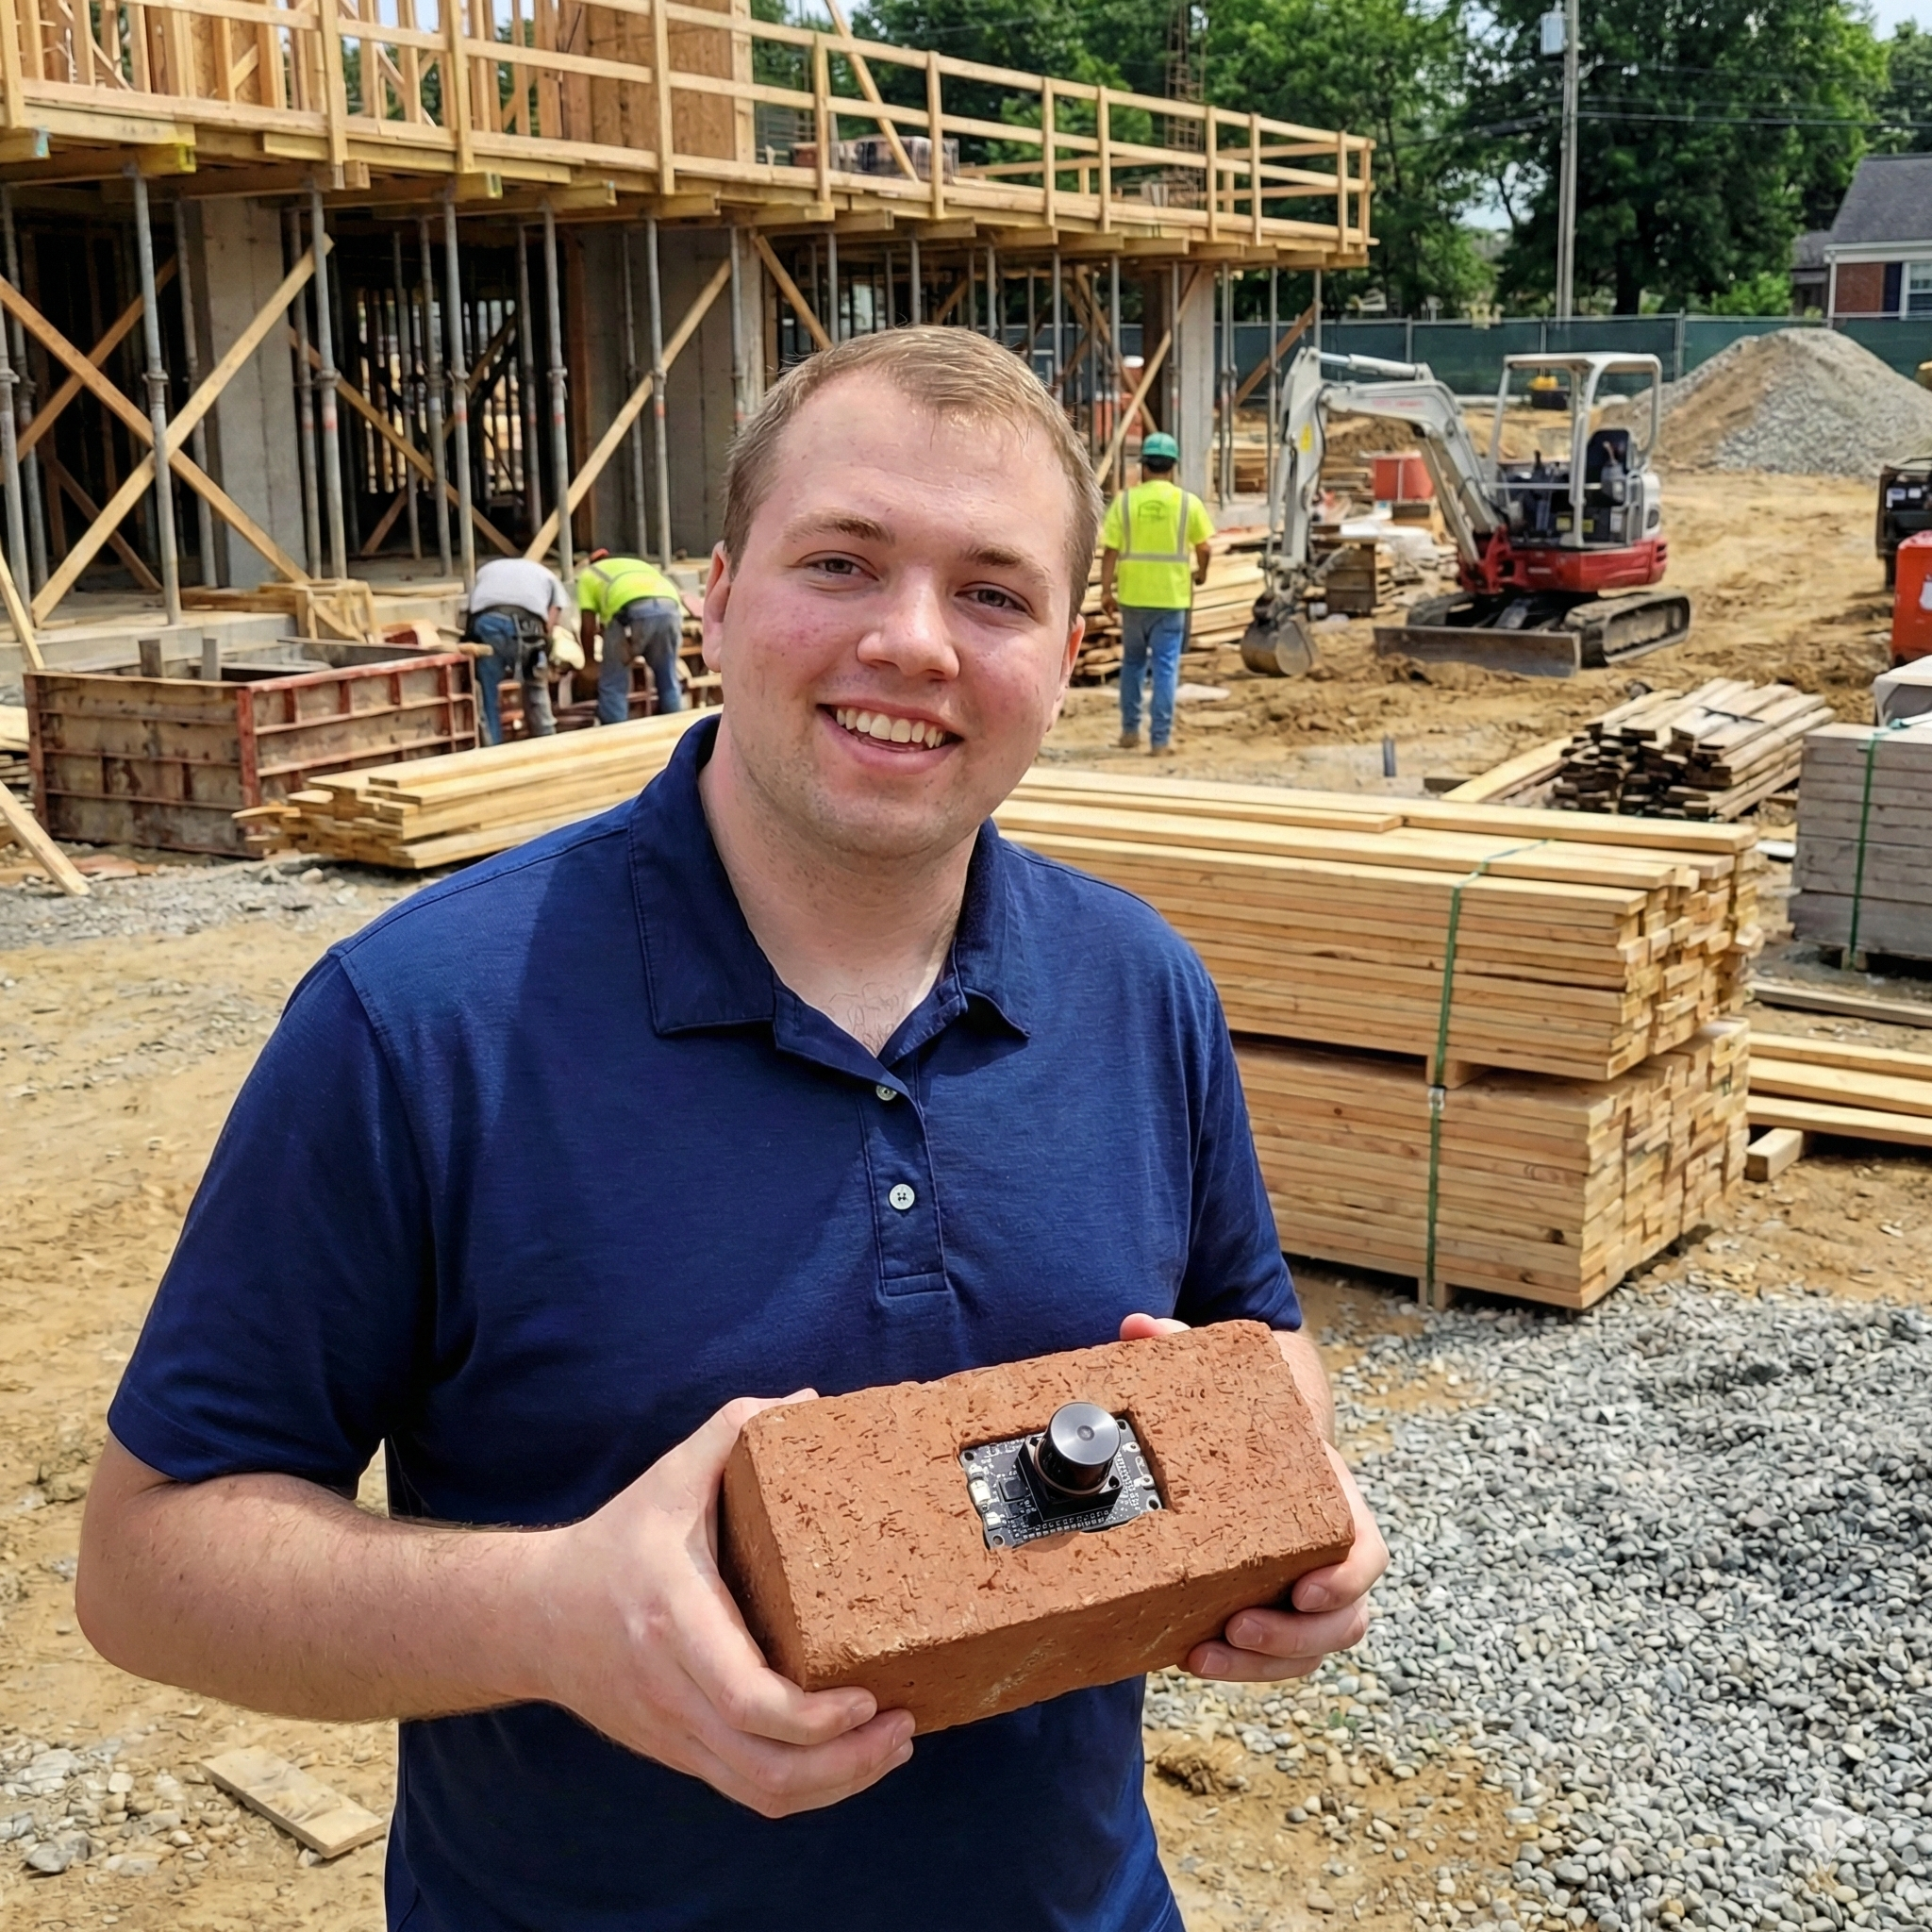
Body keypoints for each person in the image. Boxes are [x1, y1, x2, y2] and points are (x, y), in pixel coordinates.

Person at [75, 327, 1386, 1932]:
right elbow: (147, 1561)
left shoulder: (1136, 988)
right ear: (712, 594)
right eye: (840, 560)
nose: (910, 642)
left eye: (991, 591)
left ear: (1065, 648)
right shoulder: (420, 1023)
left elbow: (1255, 1339)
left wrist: (1275, 1492)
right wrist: (550, 1611)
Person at [1099, 430, 1214, 758]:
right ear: (1173, 467)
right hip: (1172, 599)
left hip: (1133, 597)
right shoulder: (1187, 504)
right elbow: (1205, 548)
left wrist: (1106, 591)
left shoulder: (1125, 501)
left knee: (1133, 664)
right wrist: (1201, 575)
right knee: (1165, 667)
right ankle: (1160, 740)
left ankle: (1129, 731)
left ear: (1144, 465)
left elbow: (1110, 551)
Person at [461, 555, 566, 744]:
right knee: (535, 686)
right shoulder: (549, 576)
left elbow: (471, 610)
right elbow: (551, 620)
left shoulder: (487, 570)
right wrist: (543, 650)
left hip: (487, 623)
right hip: (528, 627)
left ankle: (492, 747)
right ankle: (547, 740)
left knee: (488, 694)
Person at [577, 547, 686, 725]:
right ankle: (677, 735)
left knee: (614, 684)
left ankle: (616, 737)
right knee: (667, 677)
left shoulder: (589, 574)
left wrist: (589, 661)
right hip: (670, 610)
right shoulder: (638, 565)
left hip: (629, 616)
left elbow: (588, 625)